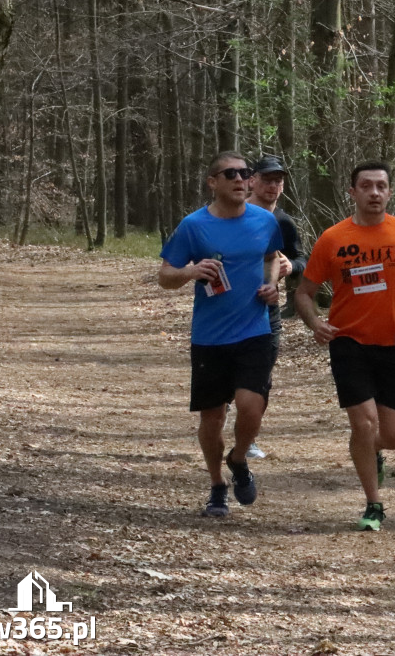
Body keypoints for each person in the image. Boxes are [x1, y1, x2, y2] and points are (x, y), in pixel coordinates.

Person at [295, 161, 395, 531]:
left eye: (381, 186)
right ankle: (373, 504)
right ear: (353, 193)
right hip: (349, 343)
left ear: (389, 193)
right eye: (366, 186)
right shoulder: (333, 239)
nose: (374, 193)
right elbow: (304, 292)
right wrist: (316, 323)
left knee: (393, 436)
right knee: (363, 423)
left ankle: (372, 452)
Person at [159, 151, 283, 517]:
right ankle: (217, 485)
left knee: (251, 405)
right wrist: (191, 271)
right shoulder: (193, 226)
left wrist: (272, 285)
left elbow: (272, 256)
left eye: (245, 173)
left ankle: (239, 458)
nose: (240, 179)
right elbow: (165, 276)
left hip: (254, 329)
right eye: (230, 173)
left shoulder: (264, 220)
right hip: (210, 336)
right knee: (212, 417)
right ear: (212, 182)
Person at [243, 154, 308, 460]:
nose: (272, 186)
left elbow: (301, 259)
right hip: (231, 307)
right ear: (251, 180)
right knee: (231, 377)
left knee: (262, 377)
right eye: (267, 179)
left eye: (278, 181)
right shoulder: (233, 214)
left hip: (267, 310)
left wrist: (290, 266)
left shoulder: (283, 222)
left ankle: (249, 436)